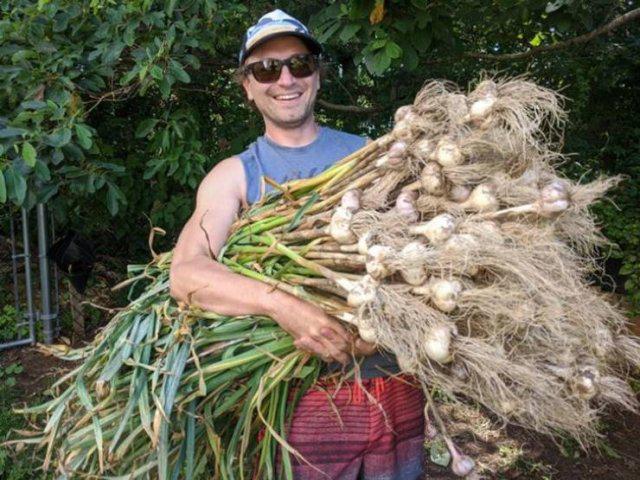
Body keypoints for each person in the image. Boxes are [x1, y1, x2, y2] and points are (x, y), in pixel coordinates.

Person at [169, 9, 425, 479]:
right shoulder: (234, 176)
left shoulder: (375, 156)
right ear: (247, 86)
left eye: (299, 64)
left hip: (394, 379)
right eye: (266, 68)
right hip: (302, 402)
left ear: (317, 76)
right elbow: (186, 274)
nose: (285, 78)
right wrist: (284, 306)